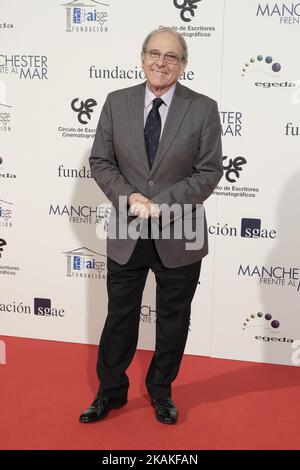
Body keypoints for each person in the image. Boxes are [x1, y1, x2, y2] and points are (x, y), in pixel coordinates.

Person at [79, 27, 223, 425]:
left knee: (173, 319)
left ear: (183, 64)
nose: (162, 63)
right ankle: (110, 392)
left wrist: (160, 205)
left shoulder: (203, 108)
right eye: (154, 54)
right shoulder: (116, 102)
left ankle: (161, 392)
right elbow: (101, 162)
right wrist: (131, 199)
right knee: (119, 316)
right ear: (142, 58)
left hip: (181, 231)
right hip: (127, 230)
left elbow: (208, 172)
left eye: (172, 57)